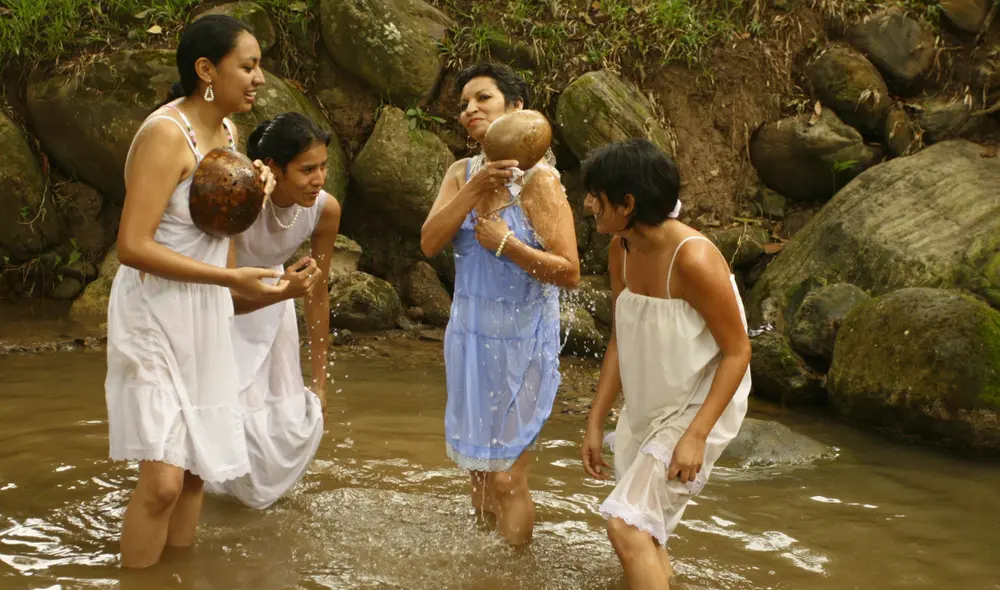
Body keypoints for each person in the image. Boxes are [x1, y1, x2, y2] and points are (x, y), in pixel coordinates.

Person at [106, 15, 294, 569]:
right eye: (249, 65)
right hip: (153, 312)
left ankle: (176, 580)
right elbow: (132, 245)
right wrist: (228, 280)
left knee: (193, 475)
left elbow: (216, 234)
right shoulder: (166, 134)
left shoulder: (230, 135)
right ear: (206, 70)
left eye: (259, 65)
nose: (259, 78)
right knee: (162, 482)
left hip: (205, 312)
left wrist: (253, 198)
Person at [578, 139, 752, 589]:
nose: (587, 203)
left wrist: (696, 436)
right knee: (646, 533)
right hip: (650, 399)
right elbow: (622, 334)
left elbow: (738, 352)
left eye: (596, 194)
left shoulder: (693, 259)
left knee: (627, 526)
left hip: (700, 402)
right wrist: (596, 420)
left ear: (628, 203)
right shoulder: (621, 247)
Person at [420, 63, 580, 546]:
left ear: (516, 109)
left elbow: (569, 270)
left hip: (524, 343)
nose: (469, 109)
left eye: (482, 99)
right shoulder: (459, 172)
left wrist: (509, 244)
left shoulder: (541, 182)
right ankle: (485, 569)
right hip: (468, 338)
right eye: (464, 103)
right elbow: (430, 243)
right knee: (480, 474)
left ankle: (513, 572)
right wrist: (474, 188)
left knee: (508, 478)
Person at [204, 112, 342, 509]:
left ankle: (256, 507)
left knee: (281, 418)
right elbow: (227, 291)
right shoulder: (241, 202)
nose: (319, 178)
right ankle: (212, 503)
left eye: (324, 167)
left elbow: (317, 294)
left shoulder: (324, 210)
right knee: (227, 413)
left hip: (277, 303)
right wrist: (285, 292)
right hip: (225, 305)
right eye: (307, 169)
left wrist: (319, 379)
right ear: (275, 169)